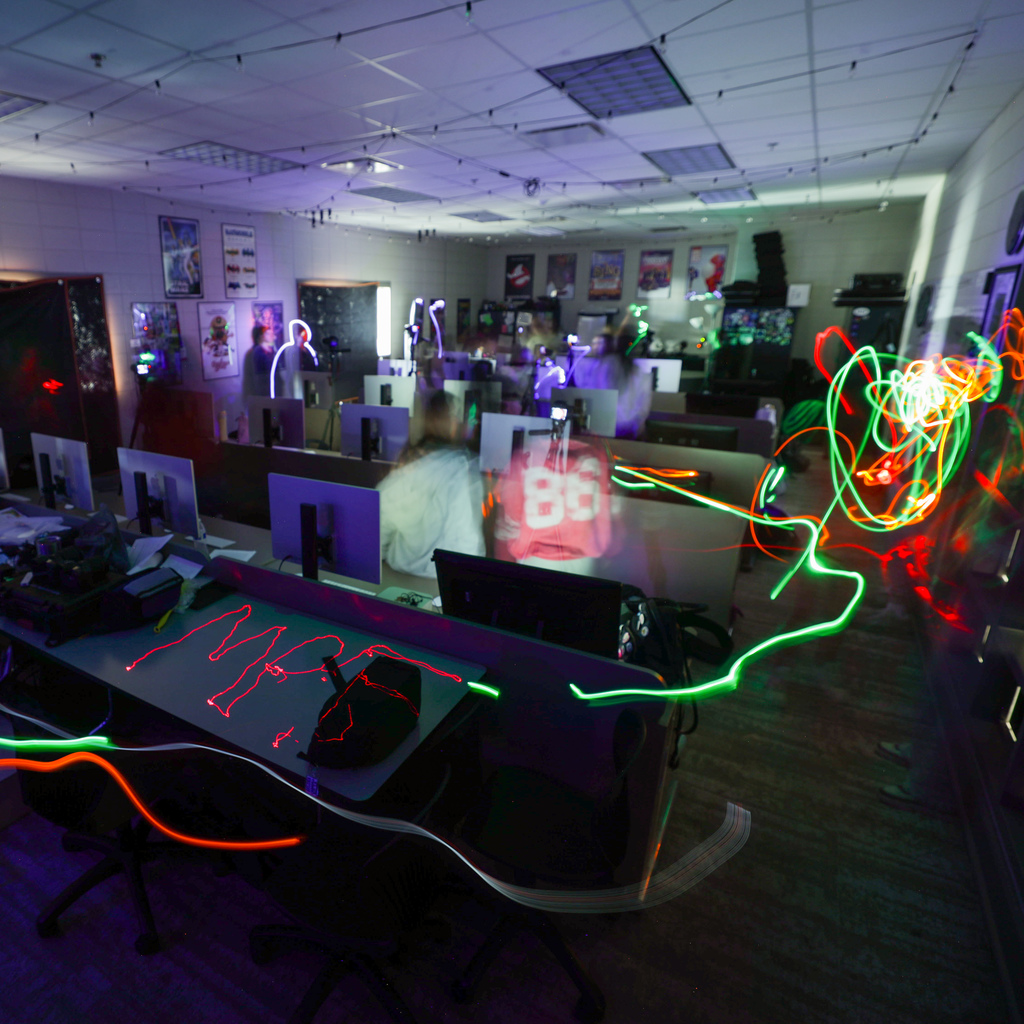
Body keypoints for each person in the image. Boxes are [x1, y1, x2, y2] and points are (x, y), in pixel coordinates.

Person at [377, 390, 485, 578]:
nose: (473, 422)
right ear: (451, 422)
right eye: (465, 417)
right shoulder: (460, 469)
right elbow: (467, 540)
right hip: (437, 580)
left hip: (398, 572)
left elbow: (380, 516)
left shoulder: (408, 460)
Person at [573, 323, 653, 439]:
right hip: (622, 430)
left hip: (604, 429)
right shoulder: (638, 372)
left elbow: (586, 394)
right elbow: (642, 408)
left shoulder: (599, 367)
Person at [243, 324, 277, 398]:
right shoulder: (255, 353)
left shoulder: (264, 352)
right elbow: (257, 379)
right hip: (261, 396)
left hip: (260, 396)